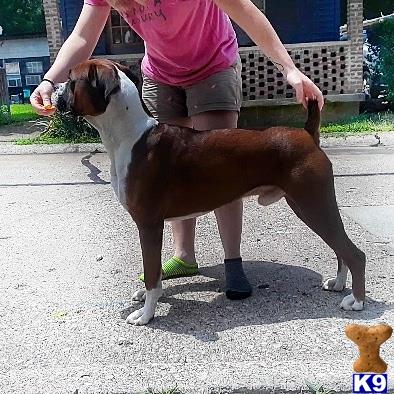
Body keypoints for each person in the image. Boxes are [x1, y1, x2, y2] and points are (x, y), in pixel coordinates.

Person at [31, 0, 324, 300]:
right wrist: (49, 80)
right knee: (165, 170)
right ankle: (184, 256)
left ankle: (232, 261)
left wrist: (289, 69)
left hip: (213, 65)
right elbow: (82, 36)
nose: (122, 6)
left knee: (225, 166)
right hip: (161, 73)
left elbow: (246, 11)